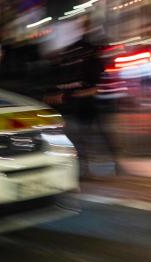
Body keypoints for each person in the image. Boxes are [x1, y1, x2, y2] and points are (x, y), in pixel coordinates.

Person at [44, 17, 118, 177]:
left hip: (83, 107)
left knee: (86, 139)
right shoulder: (83, 52)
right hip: (82, 107)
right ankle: (97, 169)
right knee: (88, 139)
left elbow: (94, 87)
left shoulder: (84, 53)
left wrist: (65, 96)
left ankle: (95, 169)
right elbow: (95, 84)